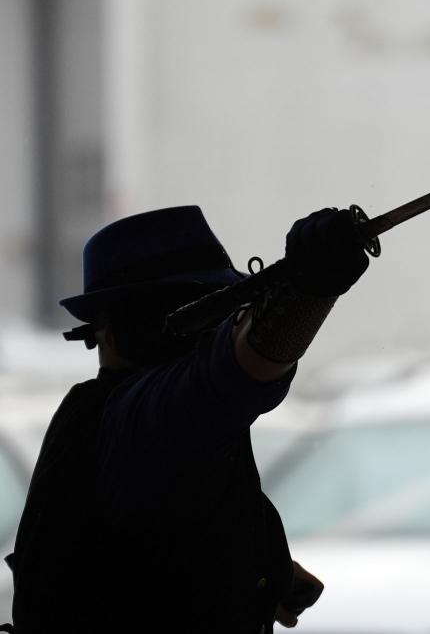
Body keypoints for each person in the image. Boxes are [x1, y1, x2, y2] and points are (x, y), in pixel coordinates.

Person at [4, 205, 371, 633]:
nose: (217, 329)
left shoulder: (100, 420)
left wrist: (265, 568)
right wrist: (309, 288)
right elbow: (235, 372)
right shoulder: (150, 418)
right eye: (204, 313)